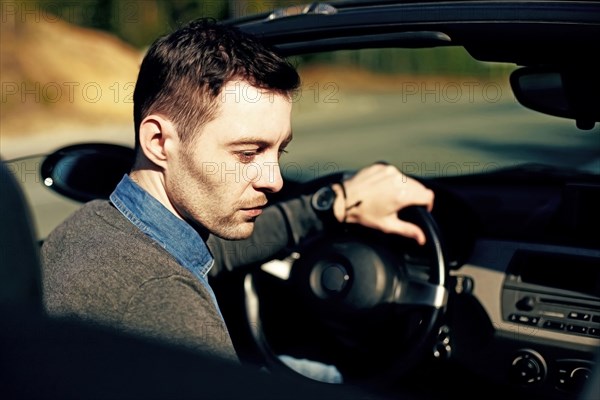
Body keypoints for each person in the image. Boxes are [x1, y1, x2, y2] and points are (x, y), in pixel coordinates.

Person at [41, 19, 434, 372]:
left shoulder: (95, 226)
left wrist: (336, 203)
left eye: (279, 151)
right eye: (247, 153)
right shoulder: (164, 302)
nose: (274, 180)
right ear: (159, 141)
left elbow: (215, 251)